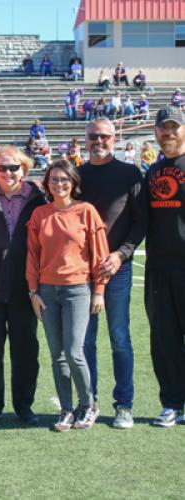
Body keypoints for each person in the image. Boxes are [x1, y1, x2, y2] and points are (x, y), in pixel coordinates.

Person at [27, 160, 109, 432]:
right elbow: (33, 256)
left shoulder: (87, 212)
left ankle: (88, 404)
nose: (59, 184)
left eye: (64, 179)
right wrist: (33, 291)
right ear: (47, 183)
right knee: (57, 355)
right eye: (54, 179)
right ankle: (66, 409)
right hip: (47, 291)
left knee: (74, 352)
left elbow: (100, 256)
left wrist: (99, 290)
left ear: (73, 182)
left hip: (78, 289)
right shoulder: (40, 214)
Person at [79, 117, 147, 429]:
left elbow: (140, 221)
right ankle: (88, 401)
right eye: (93, 136)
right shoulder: (76, 174)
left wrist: (120, 255)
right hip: (82, 271)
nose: (99, 141)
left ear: (115, 137)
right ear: (85, 138)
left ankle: (124, 404)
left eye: (105, 136)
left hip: (117, 269)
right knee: (85, 340)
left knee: (120, 337)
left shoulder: (130, 173)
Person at [0, 146, 46, 427]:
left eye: (14, 167)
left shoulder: (38, 198)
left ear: (25, 169)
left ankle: (24, 405)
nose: (8, 173)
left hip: (24, 285)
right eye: (2, 167)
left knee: (25, 350)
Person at [145, 106, 185, 427]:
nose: (168, 133)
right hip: (159, 269)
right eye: (163, 128)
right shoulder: (152, 173)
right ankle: (171, 402)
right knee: (164, 339)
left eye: (174, 127)